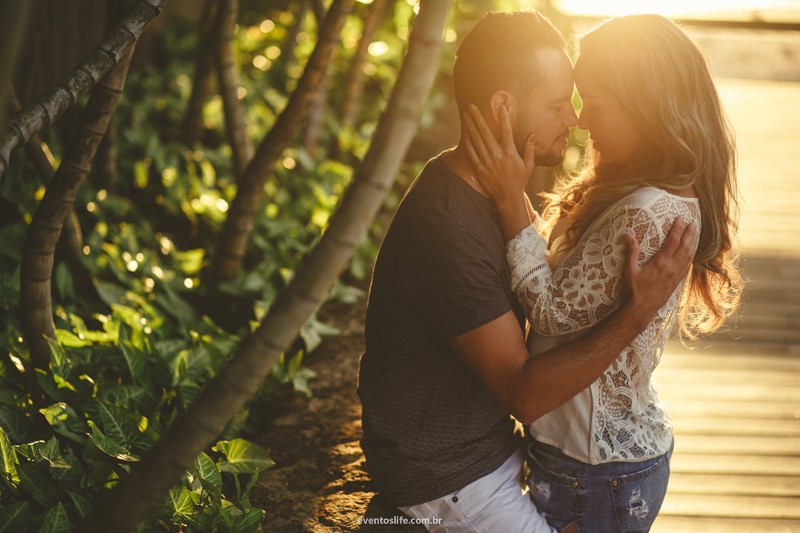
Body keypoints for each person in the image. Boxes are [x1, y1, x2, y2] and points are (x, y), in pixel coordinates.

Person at [357, 11, 698, 533]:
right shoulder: (447, 225)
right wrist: (637, 312)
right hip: (447, 479)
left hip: (494, 451)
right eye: (558, 104)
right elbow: (527, 394)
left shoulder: (491, 194)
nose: (574, 119)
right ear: (503, 107)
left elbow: (538, 269)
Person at [462, 14, 741, 532]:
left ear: (648, 107)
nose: (582, 119)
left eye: (595, 102)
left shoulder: (645, 212)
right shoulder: (649, 185)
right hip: (596, 460)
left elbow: (550, 311)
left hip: (593, 471)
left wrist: (508, 201)